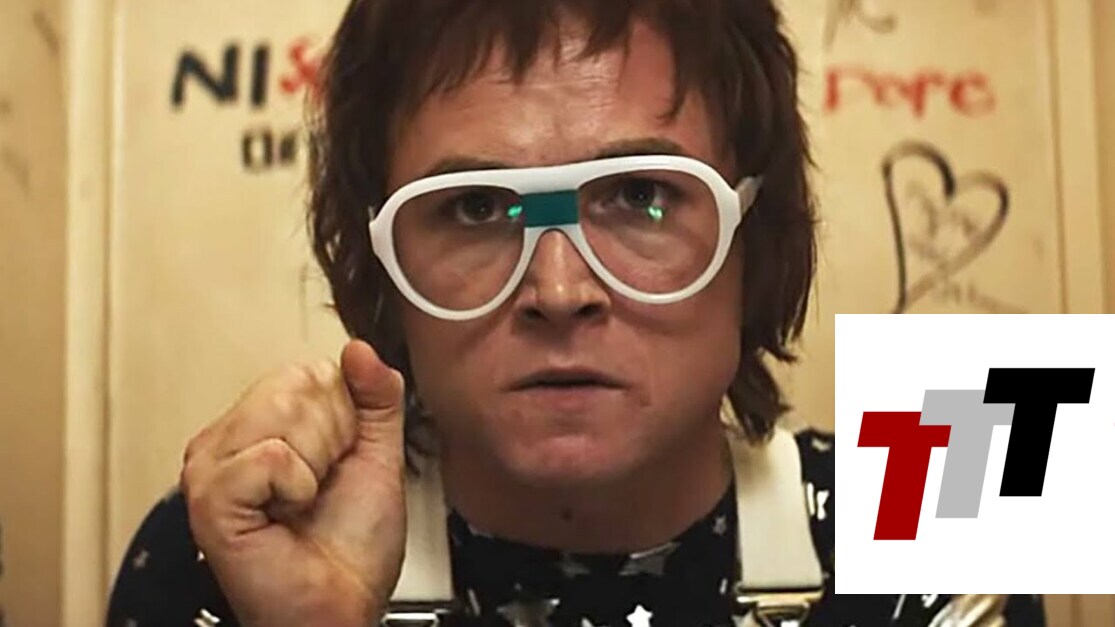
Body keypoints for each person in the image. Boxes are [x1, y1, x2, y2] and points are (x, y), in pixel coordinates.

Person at [107, 1, 1046, 625]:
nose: (558, 291)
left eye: (640, 195)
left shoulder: (948, 504)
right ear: (382, 261)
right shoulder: (233, 545)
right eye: (476, 207)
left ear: (753, 236)